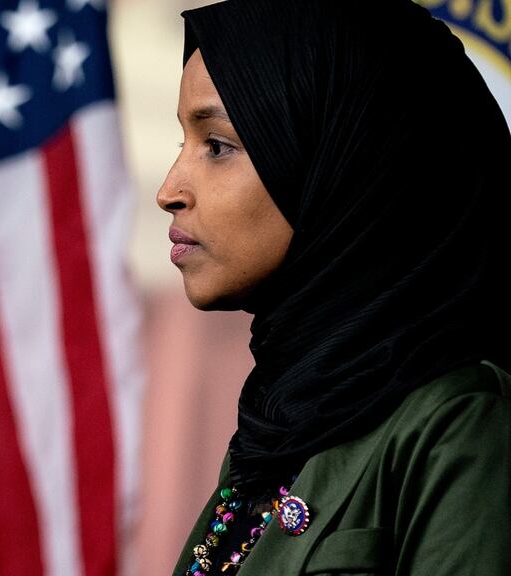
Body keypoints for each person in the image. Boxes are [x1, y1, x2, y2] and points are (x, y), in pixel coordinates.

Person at [155, 0, 511, 574]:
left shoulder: (462, 421)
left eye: (217, 146)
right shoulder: (283, 418)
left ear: (343, 164)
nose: (169, 190)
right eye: (181, 144)